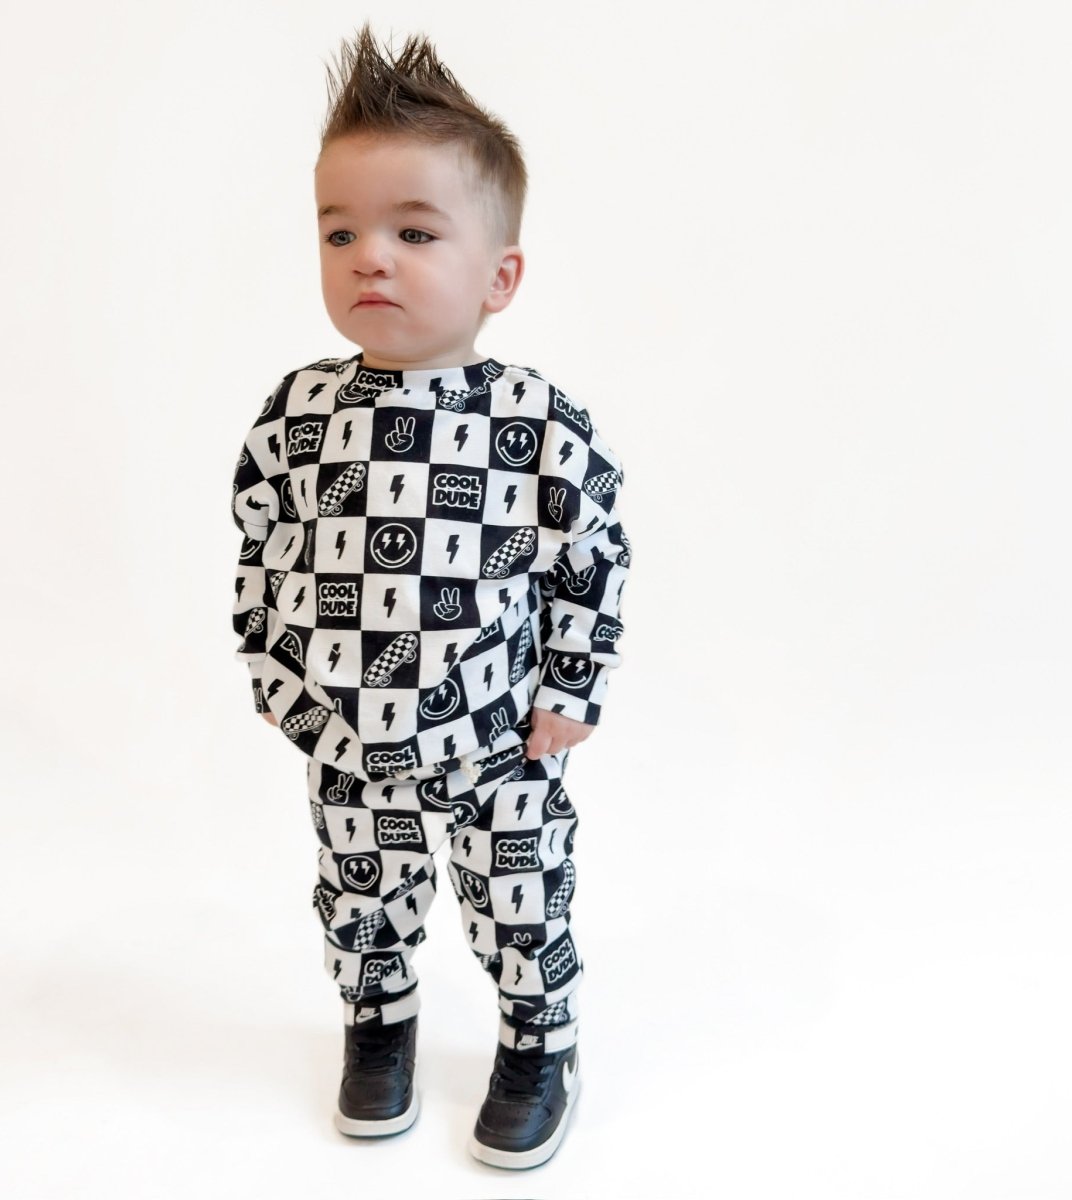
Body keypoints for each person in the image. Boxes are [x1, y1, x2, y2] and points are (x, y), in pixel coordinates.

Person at [230, 24, 629, 1170]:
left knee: (518, 893)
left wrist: (572, 689)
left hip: (497, 733)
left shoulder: (533, 421)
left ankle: (539, 1041)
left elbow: (592, 556)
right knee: (359, 895)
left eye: (414, 232)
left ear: (500, 276)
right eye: (340, 231)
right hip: (348, 736)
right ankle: (378, 1026)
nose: (371, 258)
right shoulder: (300, 412)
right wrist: (275, 670)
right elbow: (262, 541)